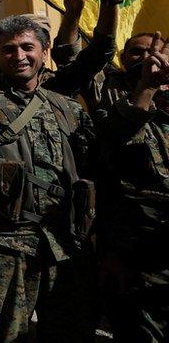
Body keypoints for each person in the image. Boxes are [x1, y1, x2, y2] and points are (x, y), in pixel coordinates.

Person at [0, 14, 99, 342]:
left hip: (63, 241)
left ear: (44, 52)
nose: (19, 56)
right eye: (8, 49)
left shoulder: (67, 108)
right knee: (5, 334)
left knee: (71, 331)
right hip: (5, 244)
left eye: (27, 47)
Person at [92, 32, 169, 341]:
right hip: (137, 262)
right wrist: (146, 88)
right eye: (140, 55)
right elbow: (116, 142)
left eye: (162, 61)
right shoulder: (119, 113)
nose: (153, 64)